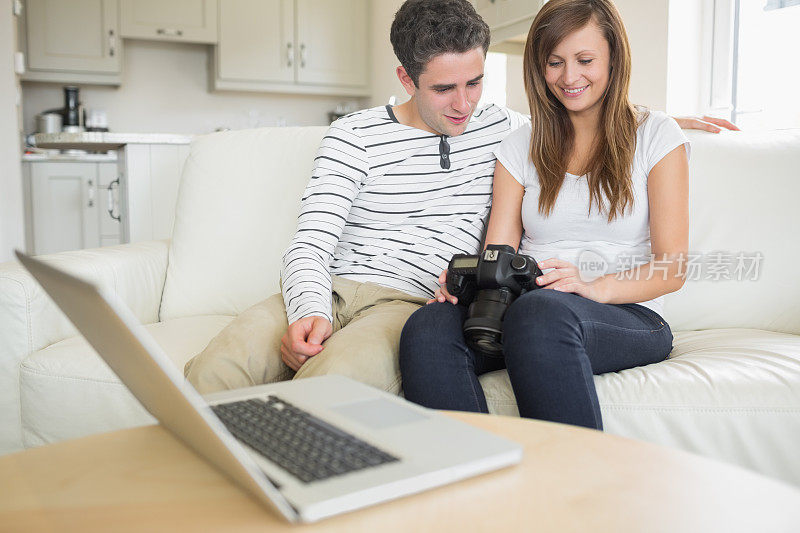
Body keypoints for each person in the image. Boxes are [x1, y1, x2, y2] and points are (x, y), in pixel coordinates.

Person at [184, 0, 735, 397]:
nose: (463, 105)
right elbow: (312, 239)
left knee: (331, 386)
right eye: (444, 89)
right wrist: (308, 310)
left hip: (431, 303)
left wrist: (654, 122)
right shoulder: (361, 135)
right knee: (213, 372)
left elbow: (587, 113)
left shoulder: (505, 128)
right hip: (338, 287)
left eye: (474, 83)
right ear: (405, 77)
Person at [399, 0, 692, 431]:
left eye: (585, 60)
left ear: (614, 56)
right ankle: (473, 483)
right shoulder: (519, 146)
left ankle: (569, 492)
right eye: (555, 62)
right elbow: (499, 251)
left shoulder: (656, 135)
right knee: (427, 326)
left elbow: (673, 267)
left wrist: (592, 287)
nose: (569, 77)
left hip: (625, 312)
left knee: (541, 314)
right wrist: (471, 281)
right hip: (526, 307)